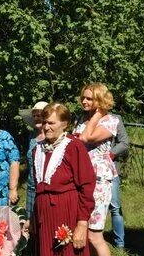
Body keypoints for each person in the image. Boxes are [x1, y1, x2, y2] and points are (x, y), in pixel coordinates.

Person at [33, 102, 96, 256]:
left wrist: (82, 224)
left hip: (67, 209)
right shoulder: (37, 149)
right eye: (44, 122)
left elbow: (87, 185)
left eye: (51, 123)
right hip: (43, 211)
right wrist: (32, 217)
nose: (46, 127)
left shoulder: (73, 146)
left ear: (65, 124)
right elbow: (35, 186)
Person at [73, 83, 119, 256]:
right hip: (79, 177)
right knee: (81, 229)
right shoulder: (81, 118)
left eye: (89, 98)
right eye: (83, 97)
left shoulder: (111, 120)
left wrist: (98, 113)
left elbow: (86, 137)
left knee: (94, 234)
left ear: (100, 100)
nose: (84, 101)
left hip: (98, 179)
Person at [21, 101, 48, 254]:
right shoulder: (31, 136)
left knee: (45, 223)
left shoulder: (53, 137)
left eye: (41, 115)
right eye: (35, 115)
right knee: (30, 225)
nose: (37, 118)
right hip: (32, 186)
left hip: (47, 187)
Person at [109, 114, 129, 249]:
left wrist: (110, 154)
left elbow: (124, 142)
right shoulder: (82, 119)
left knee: (115, 207)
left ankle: (119, 244)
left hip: (110, 170)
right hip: (87, 170)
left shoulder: (114, 119)